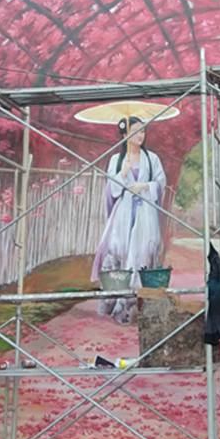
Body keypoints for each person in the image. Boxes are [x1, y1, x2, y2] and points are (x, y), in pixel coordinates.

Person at [91, 117, 167, 324]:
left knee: (142, 254)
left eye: (143, 131)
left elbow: (161, 183)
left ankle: (131, 305)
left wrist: (144, 186)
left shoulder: (151, 158)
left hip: (145, 212)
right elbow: (111, 190)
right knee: (118, 251)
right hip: (123, 212)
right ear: (125, 135)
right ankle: (114, 301)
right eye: (135, 131)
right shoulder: (116, 159)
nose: (140, 135)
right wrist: (123, 173)